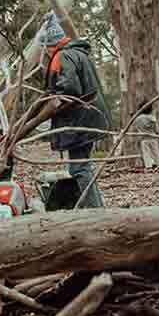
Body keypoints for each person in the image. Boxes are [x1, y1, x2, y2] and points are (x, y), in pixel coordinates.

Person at [38, 12, 109, 209]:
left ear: (49, 44)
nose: (43, 53)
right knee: (82, 166)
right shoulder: (77, 54)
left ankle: (96, 211)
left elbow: (68, 90)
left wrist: (50, 103)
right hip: (87, 119)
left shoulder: (62, 56)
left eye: (43, 48)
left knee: (79, 168)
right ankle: (97, 207)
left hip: (78, 121)